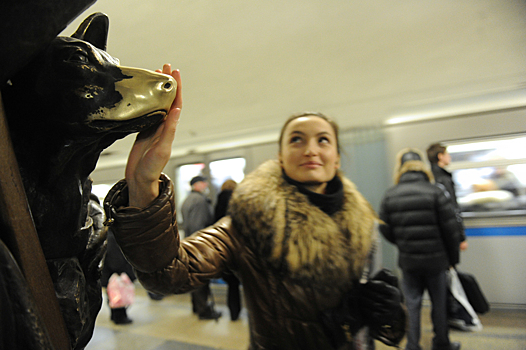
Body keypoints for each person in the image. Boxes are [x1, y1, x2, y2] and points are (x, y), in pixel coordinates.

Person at [104, 64, 406, 349]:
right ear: (281, 156)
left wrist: (389, 312)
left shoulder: (362, 224)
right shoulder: (252, 221)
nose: (311, 150)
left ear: (337, 157)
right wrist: (143, 183)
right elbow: (170, 273)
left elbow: (382, 326)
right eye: (297, 140)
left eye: (323, 140)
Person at [379, 148, 462, 350]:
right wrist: (452, 259)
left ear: (400, 168)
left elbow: (383, 227)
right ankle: (441, 343)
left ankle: (413, 345)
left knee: (412, 305)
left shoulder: (390, 194)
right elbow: (451, 230)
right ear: (422, 167)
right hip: (437, 261)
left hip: (409, 261)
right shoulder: (435, 192)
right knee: (439, 305)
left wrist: (403, 243)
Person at [181, 175, 222, 320]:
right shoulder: (200, 201)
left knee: (193, 277)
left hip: (188, 243)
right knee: (201, 278)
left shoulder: (187, 200)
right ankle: (204, 310)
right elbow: (198, 226)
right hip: (198, 246)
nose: (205, 185)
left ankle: (196, 307)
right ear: (197, 185)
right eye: (203, 183)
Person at [426, 143, 468, 252]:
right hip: (448, 231)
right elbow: (453, 207)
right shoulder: (444, 179)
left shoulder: (428, 177)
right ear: (440, 156)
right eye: (447, 154)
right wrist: (461, 236)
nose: (449, 157)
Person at [214, 179, 242, 321]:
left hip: (225, 247)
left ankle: (233, 313)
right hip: (240, 247)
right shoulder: (239, 200)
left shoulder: (218, 202)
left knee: (232, 284)